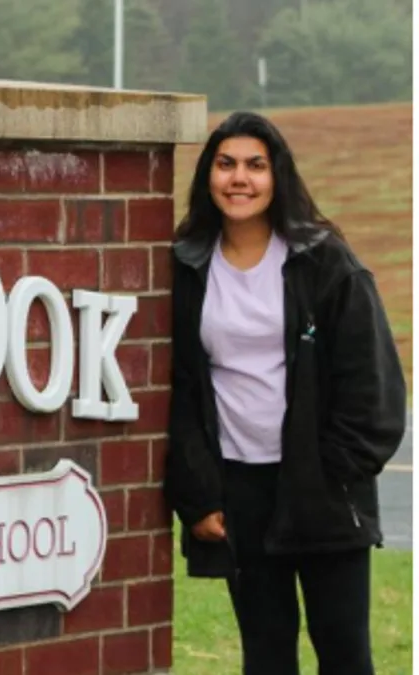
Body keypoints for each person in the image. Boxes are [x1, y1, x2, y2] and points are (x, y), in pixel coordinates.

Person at [162, 110, 407, 675]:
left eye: (255, 165)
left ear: (278, 177)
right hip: (240, 491)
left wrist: (332, 472)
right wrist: (199, 494)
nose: (239, 178)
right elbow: (178, 388)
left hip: (321, 487)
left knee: (344, 655)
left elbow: (374, 389)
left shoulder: (325, 264)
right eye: (226, 165)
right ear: (208, 176)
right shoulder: (186, 266)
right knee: (266, 656)